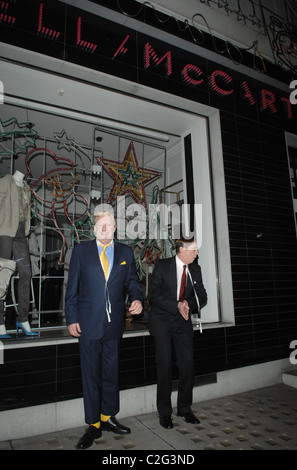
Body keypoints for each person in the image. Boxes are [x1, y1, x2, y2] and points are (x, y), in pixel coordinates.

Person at [65, 209, 143, 450]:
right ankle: (94, 423)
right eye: (101, 225)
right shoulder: (80, 251)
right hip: (87, 323)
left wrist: (137, 298)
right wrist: (72, 318)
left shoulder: (125, 253)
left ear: (115, 228)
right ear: (94, 228)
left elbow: (132, 281)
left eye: (109, 224)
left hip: (114, 325)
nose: (105, 228)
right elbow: (72, 288)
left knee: (111, 372)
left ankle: (108, 417)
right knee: (91, 375)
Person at [148, 236, 207, 429]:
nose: (197, 253)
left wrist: (187, 304)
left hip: (182, 323)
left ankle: (184, 408)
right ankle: (165, 413)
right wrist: (176, 305)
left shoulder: (195, 269)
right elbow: (153, 295)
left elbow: (202, 296)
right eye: (194, 250)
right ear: (181, 250)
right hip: (162, 322)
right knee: (164, 366)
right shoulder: (163, 266)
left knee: (187, 364)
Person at [0, 171, 38, 338]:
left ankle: (22, 318)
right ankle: (0, 322)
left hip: (21, 234)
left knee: (26, 274)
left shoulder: (26, 187)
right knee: (3, 277)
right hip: (6, 231)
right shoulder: (6, 180)